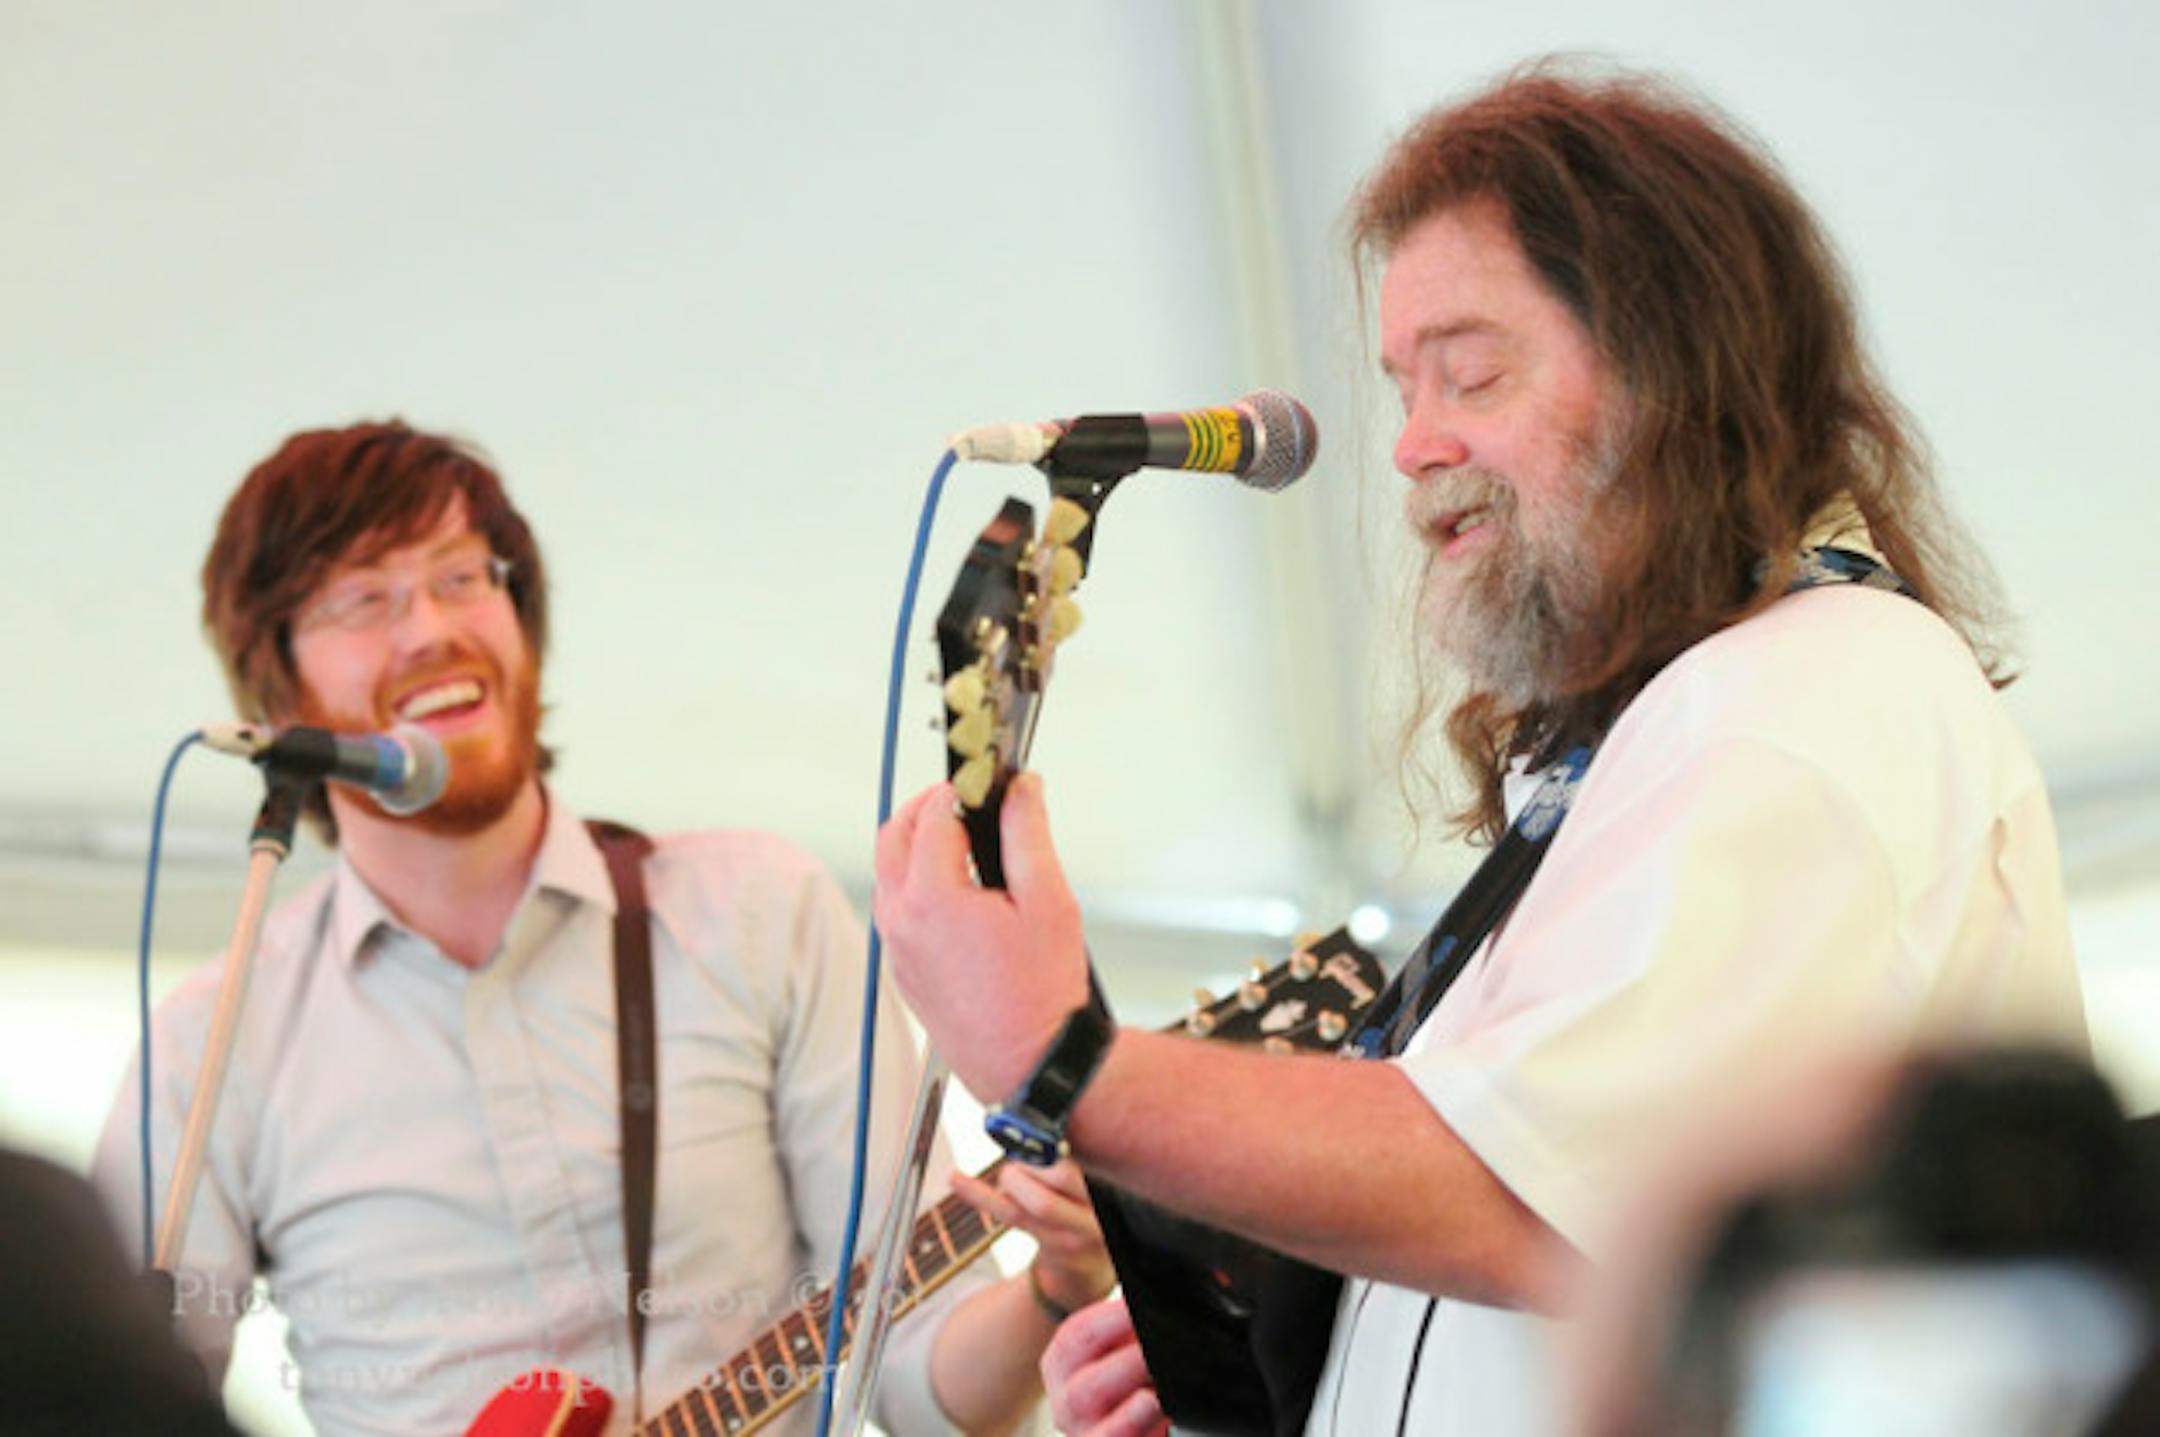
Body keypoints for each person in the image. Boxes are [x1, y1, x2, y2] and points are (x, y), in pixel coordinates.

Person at [872, 63, 2089, 1436]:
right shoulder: (1640, 756)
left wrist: (1066, 1061)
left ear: (1672, 370)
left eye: (1471, 369)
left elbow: (1535, 1197)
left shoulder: (1815, 695)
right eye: (1403, 386)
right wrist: (1281, 1383)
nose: (1411, 445)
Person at [92, 421, 1111, 1436]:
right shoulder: (214, 1037)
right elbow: (105, 1393)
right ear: (277, 683)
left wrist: (1059, 1286)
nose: (430, 631)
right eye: (365, 598)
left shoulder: (759, 915)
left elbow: (916, 1386)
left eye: (462, 578)